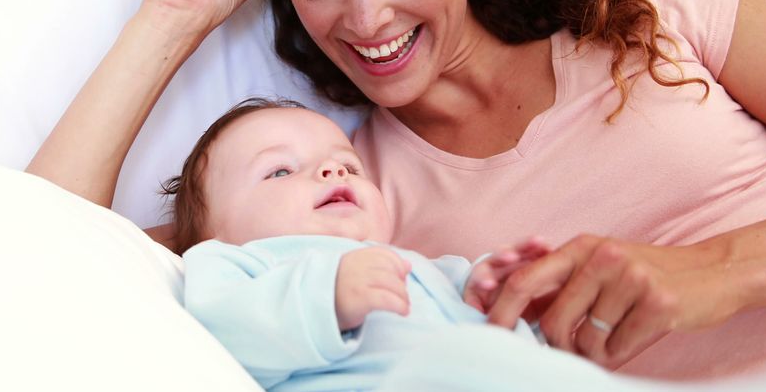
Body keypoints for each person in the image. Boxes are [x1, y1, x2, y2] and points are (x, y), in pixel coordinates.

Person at [26, 0, 766, 379]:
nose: (364, 21)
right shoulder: (343, 198)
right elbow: (46, 251)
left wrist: (722, 270)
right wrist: (173, 15)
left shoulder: (650, 1)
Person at [169, 97, 548, 390]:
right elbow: (227, 330)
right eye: (281, 170)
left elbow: (482, 313)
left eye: (349, 167)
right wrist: (325, 298)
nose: (332, 171)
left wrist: (491, 290)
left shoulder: (430, 269)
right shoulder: (233, 262)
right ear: (215, 230)